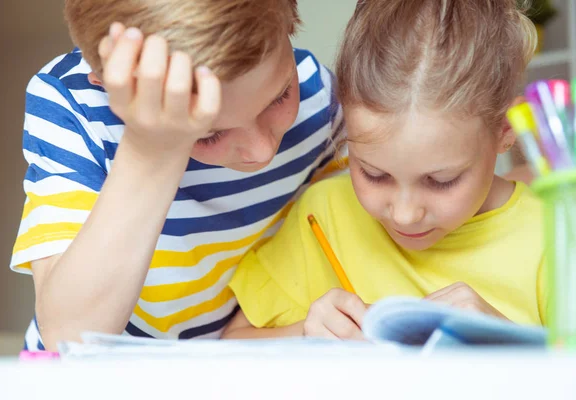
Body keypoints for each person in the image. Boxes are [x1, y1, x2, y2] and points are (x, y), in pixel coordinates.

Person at [11, 0, 346, 351]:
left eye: (279, 97)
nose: (262, 151)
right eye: (208, 134)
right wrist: (149, 151)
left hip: (231, 364)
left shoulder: (319, 97)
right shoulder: (75, 109)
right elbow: (70, 338)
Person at [223, 0, 546, 341]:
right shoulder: (321, 216)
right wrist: (304, 334)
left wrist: (506, 339)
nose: (405, 215)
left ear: (506, 130)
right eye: (374, 174)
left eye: (441, 181)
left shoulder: (555, 237)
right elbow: (230, 346)